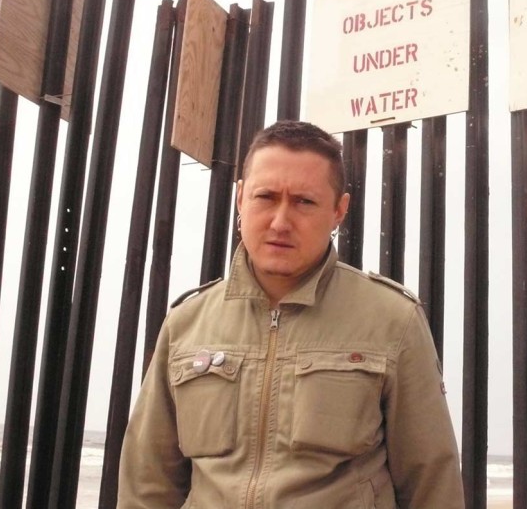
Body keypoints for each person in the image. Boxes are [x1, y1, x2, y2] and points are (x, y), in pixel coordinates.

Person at [118, 120, 464, 508]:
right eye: (266, 197)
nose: (280, 222)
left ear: (339, 210)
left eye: (304, 202)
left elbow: (431, 482)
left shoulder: (392, 321)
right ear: (240, 198)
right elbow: (148, 483)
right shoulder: (187, 323)